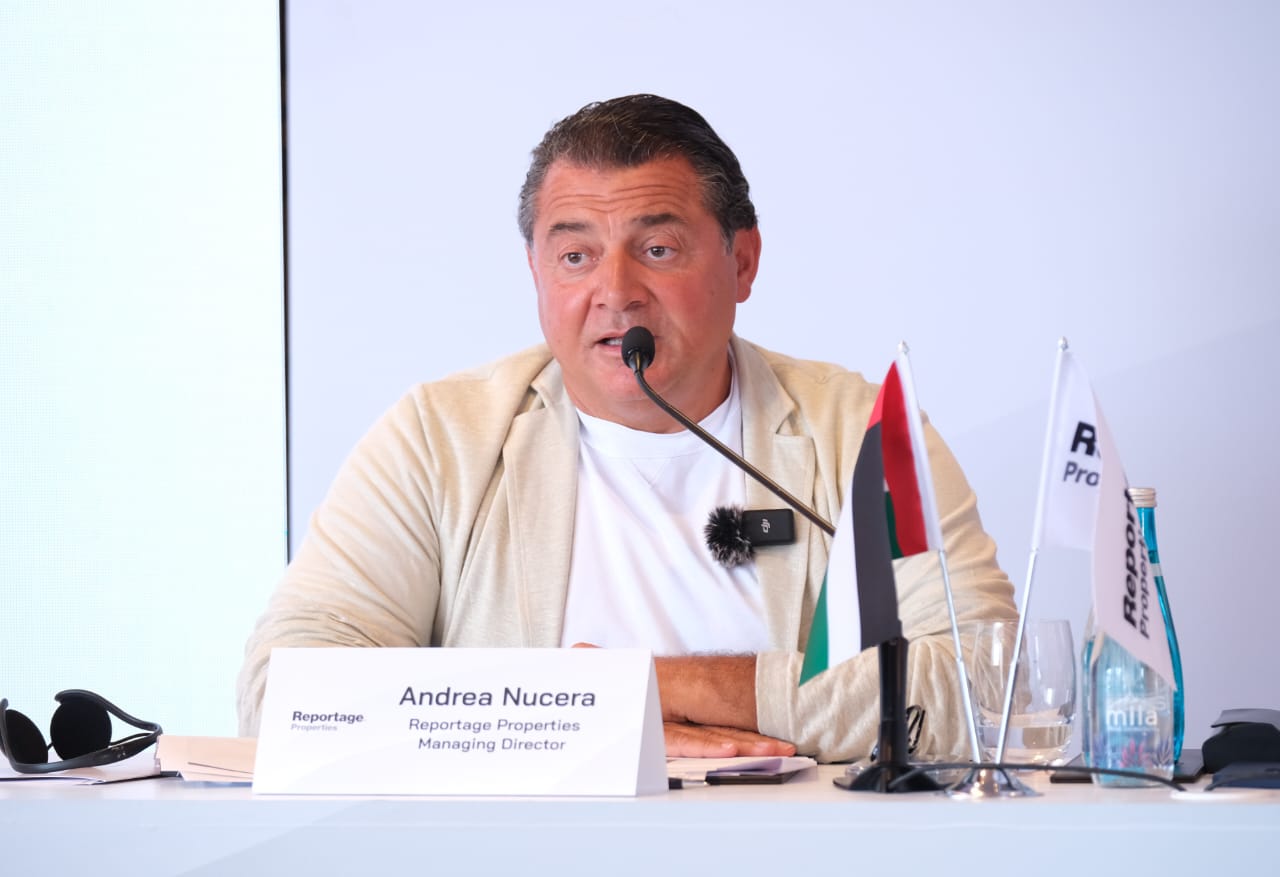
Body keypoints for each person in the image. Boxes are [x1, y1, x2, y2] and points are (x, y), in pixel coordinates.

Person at [237, 94, 1016, 762]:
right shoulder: (437, 439)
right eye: (576, 255)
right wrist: (585, 718)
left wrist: (659, 686)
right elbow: (285, 695)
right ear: (536, 271)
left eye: (657, 248)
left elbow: (988, 683)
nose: (616, 291)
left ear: (743, 262)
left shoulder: (863, 435)